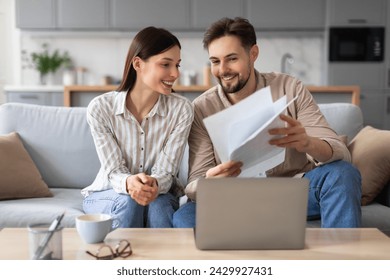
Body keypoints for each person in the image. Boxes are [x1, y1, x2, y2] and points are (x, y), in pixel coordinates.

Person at [173, 17, 361, 228]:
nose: (222, 69)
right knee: (184, 218)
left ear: (253, 54)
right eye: (215, 61)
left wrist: (308, 143)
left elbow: (340, 153)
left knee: (343, 173)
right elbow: (194, 183)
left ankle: (340, 260)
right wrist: (209, 182)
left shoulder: (290, 88)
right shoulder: (202, 107)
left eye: (232, 59)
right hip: (232, 198)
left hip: (291, 193)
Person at [81, 26, 194, 228]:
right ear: (138, 63)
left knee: (159, 206)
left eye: (177, 65)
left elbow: (167, 172)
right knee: (129, 202)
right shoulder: (100, 109)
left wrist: (153, 185)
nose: (175, 73)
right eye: (166, 64)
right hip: (109, 193)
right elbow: (114, 170)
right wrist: (130, 183)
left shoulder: (182, 109)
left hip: (159, 193)